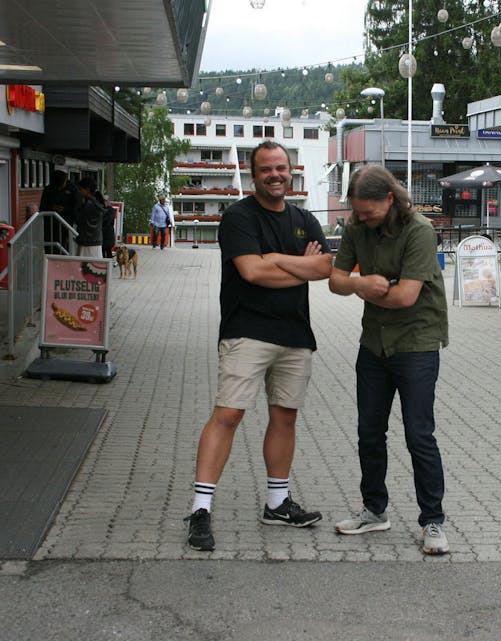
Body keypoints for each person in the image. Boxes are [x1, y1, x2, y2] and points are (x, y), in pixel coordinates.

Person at [184, 141, 333, 552]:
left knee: (285, 418)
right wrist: (296, 266)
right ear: (254, 175)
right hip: (246, 331)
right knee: (228, 414)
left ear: (291, 172)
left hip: (295, 335)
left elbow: (324, 268)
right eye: (266, 169)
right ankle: (201, 510)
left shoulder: (305, 219)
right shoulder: (237, 218)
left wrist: (276, 260)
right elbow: (250, 272)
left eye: (281, 168)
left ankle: (277, 503)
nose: (275, 175)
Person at [328, 165, 450, 555]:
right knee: (369, 432)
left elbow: (404, 298)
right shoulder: (355, 227)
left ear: (389, 199)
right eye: (357, 212)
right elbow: (335, 280)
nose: (361, 219)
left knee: (419, 435)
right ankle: (374, 511)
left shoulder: (419, 231)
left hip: (416, 342)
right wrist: (361, 283)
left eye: (368, 212)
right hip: (374, 344)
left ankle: (432, 521)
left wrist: (358, 288)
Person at [39, 170, 79, 254]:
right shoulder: (48, 190)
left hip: (67, 224)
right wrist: (52, 208)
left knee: (66, 248)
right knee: (50, 247)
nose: (60, 188)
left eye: (61, 185)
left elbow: (77, 206)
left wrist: (65, 209)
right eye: (57, 186)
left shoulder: (73, 189)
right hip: (51, 226)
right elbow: (42, 208)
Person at [74, 177, 104, 258]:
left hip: (87, 241)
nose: (79, 191)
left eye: (81, 189)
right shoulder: (96, 203)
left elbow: (79, 219)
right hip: (95, 241)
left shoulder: (88, 205)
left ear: (87, 189)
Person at [97, 191, 117, 258]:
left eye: (105, 201)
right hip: (105, 235)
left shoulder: (110, 210)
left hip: (107, 235)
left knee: (108, 252)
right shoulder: (102, 209)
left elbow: (107, 222)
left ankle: (108, 266)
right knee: (104, 252)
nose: (104, 202)